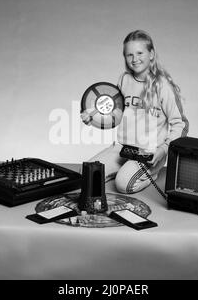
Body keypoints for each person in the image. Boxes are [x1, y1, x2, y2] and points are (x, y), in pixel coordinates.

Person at [81, 30, 189, 194]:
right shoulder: (124, 79)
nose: (134, 59)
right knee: (87, 175)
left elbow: (181, 124)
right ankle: (125, 168)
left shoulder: (163, 85)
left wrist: (163, 150)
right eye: (129, 54)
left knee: (123, 185)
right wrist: (92, 116)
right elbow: (113, 112)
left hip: (149, 152)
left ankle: (148, 173)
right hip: (123, 148)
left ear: (151, 54)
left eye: (140, 53)